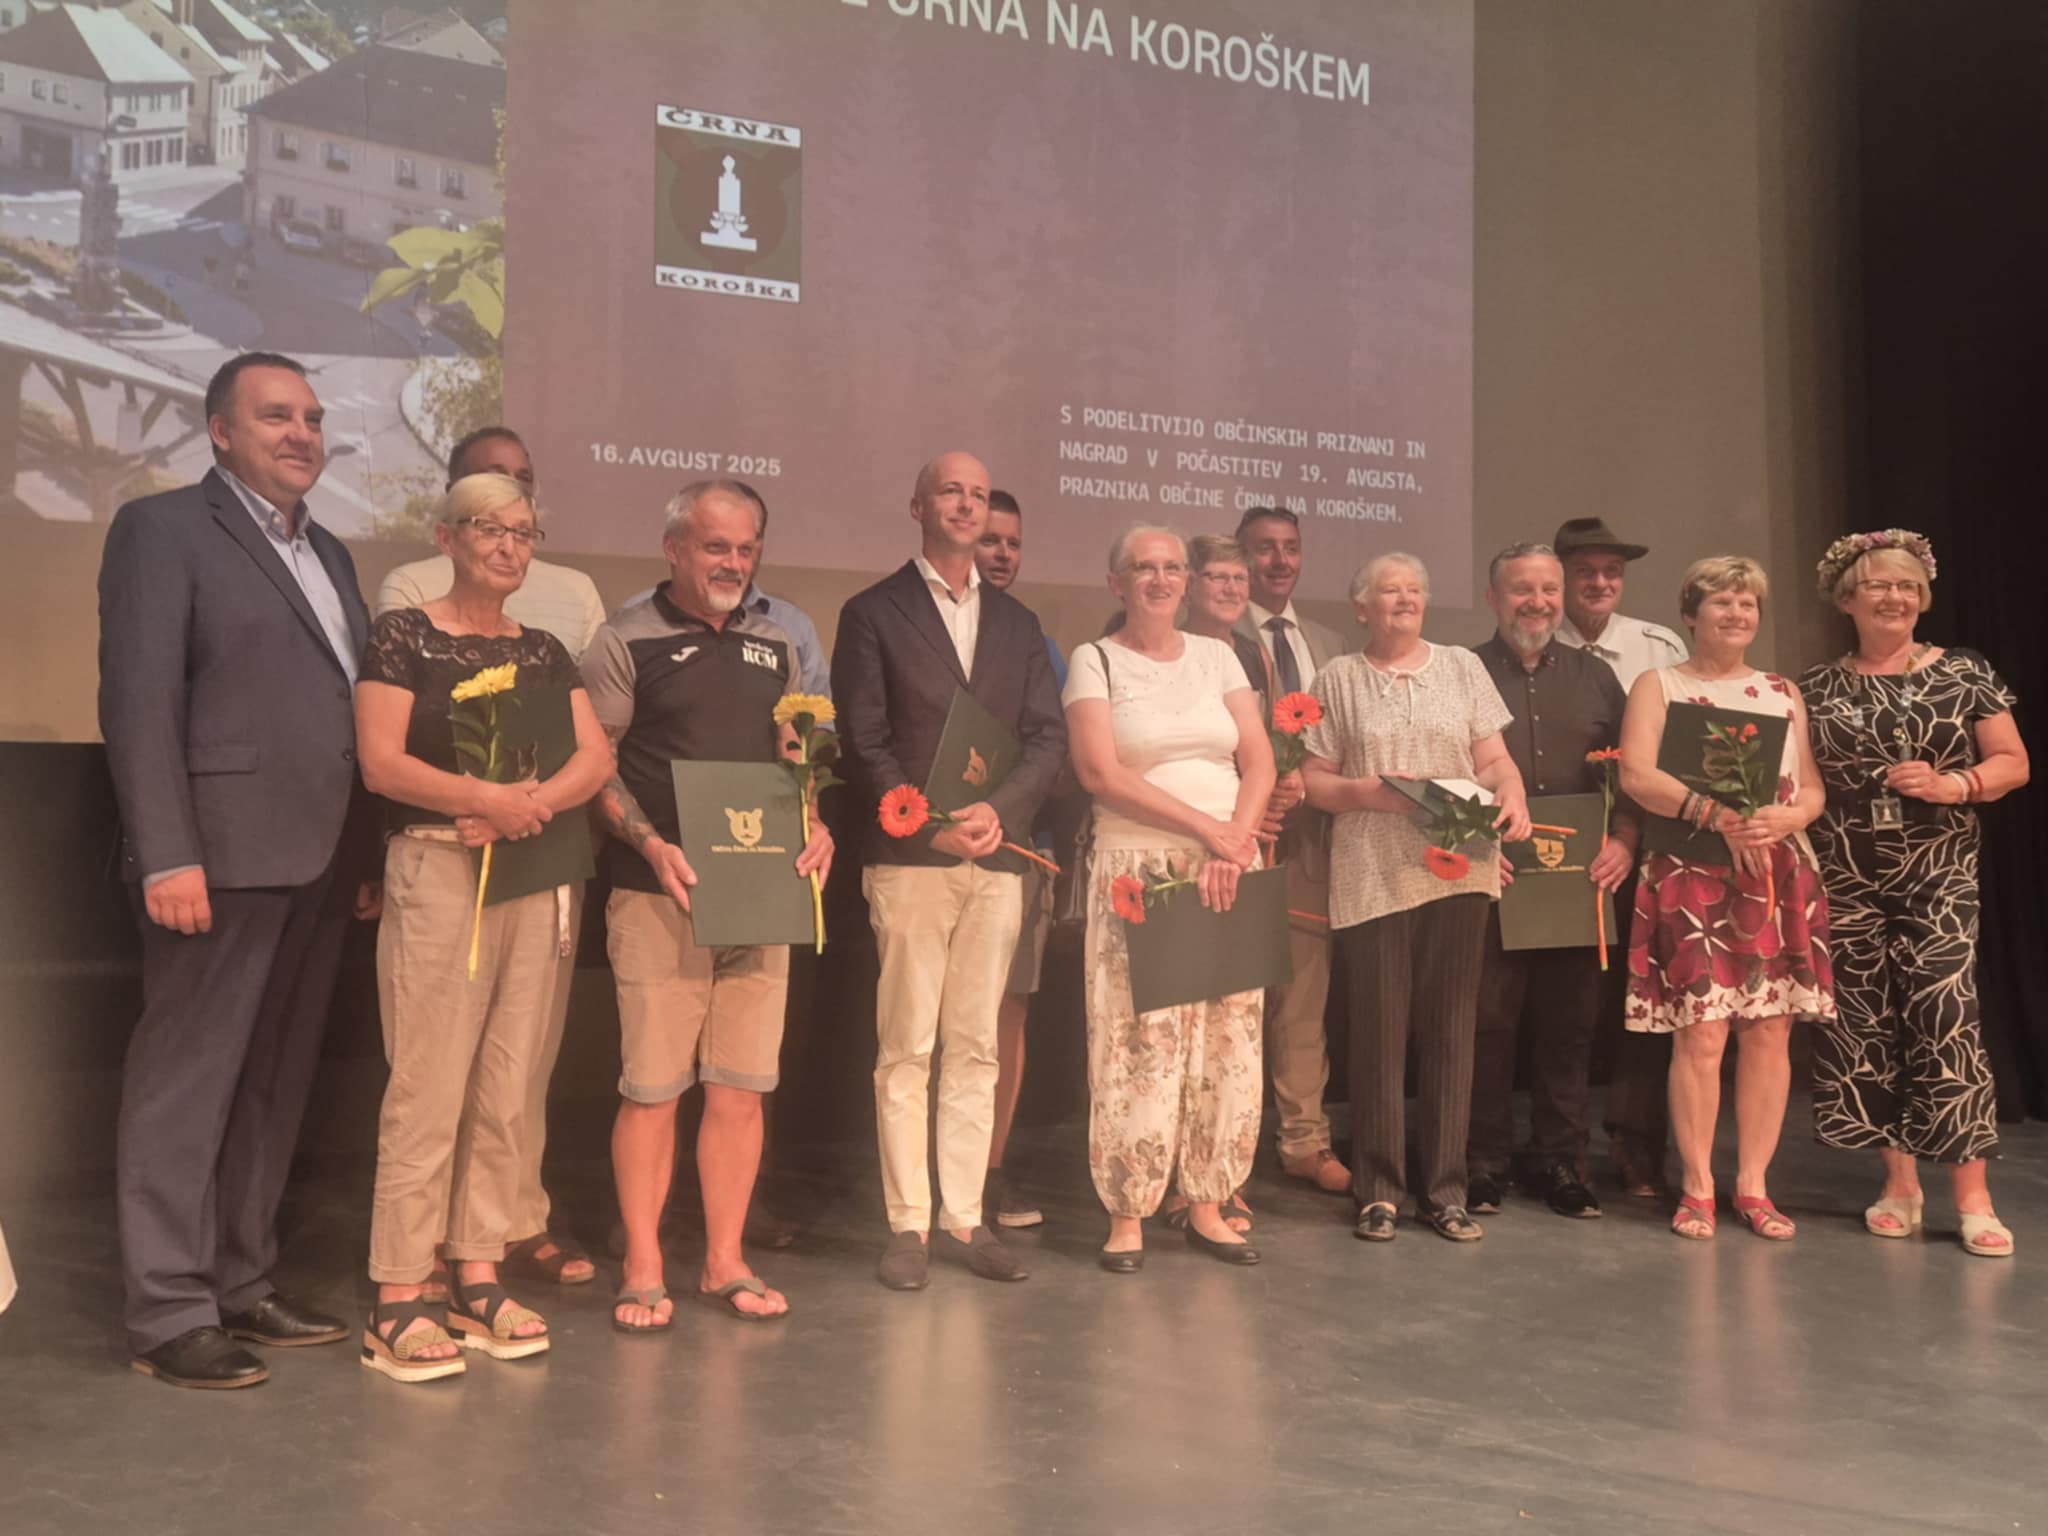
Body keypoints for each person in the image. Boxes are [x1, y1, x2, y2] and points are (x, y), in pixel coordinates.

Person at [100, 352, 373, 1390]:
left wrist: (365, 849)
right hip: (211, 861)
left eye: (309, 417)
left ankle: (241, 1278)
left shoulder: (332, 551)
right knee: (187, 1085)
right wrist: (167, 852)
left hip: (317, 855)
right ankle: (168, 1311)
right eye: (275, 417)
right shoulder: (162, 531)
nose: (300, 433)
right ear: (220, 431)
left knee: (271, 1084)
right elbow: (137, 702)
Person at [354, 472, 612, 1381]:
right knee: (428, 1082)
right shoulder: (406, 632)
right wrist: (481, 799)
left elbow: (596, 754)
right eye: (489, 530)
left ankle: (475, 1270)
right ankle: (398, 1292)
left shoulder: (543, 647)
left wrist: (522, 806)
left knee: (511, 1082)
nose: (509, 545)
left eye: (524, 532)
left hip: (533, 872)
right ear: (446, 536)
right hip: (437, 867)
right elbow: (380, 763)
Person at [584, 480, 832, 1329]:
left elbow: (794, 757)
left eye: (746, 547)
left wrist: (816, 824)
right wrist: (651, 844)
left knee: (739, 1090)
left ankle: (724, 1260)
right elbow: (596, 767)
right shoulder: (623, 640)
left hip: (761, 897)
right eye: (715, 546)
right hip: (657, 897)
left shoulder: (779, 643)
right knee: (653, 1089)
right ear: (675, 549)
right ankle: (644, 1263)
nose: (733, 562)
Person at [833, 451, 1067, 1290]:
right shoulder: (873, 612)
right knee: (907, 1046)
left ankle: (964, 1217)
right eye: (951, 491)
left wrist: (998, 812)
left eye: (977, 492)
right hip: (911, 857)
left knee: (975, 1045)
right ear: (918, 506)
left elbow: (1047, 737)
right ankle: (907, 1224)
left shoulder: (1018, 623)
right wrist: (926, 823)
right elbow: (863, 737)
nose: (966, 505)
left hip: (998, 857)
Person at [1800, 531, 2029, 1257]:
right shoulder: (1812, 689)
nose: (1894, 597)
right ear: (1847, 599)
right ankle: (1898, 1184)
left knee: (1944, 1015)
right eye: (1877, 586)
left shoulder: (1963, 672)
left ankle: (1974, 1197)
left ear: (1921, 597)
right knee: (1866, 1022)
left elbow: (2013, 763)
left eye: (1906, 586)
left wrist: (1952, 784)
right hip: (1847, 878)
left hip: (1938, 875)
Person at [1300, 554, 1530, 1242]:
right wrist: (1368, 793)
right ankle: (1378, 1189)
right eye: (1387, 591)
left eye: (1414, 591)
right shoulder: (1338, 678)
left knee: (1454, 1032)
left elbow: (1492, 761)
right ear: (1361, 608)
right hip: (1373, 872)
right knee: (1377, 1033)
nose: (1403, 600)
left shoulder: (1462, 666)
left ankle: (1446, 1189)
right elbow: (1314, 782)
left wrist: (1511, 791)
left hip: (1457, 867)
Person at [1063, 526, 1274, 1272]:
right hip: (1141, 865)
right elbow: (1099, 773)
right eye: (1143, 568)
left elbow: (1260, 759)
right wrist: (1208, 831)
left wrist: (1236, 840)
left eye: (1172, 568)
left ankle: (1210, 1204)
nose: (1160, 579)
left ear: (1187, 582)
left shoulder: (1220, 655)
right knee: (1138, 1039)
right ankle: (1128, 1213)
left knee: (1227, 1039)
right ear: (1117, 582)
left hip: (1226, 864)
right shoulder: (1095, 660)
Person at [1617, 556, 1834, 1242]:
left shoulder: (1780, 690)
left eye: (1748, 605)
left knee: (1769, 1034)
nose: (1737, 615)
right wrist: (1715, 814)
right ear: (1691, 615)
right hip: (1691, 872)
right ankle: (1698, 1187)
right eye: (1722, 604)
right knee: (1703, 1032)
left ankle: (1754, 1187)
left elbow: (1812, 790)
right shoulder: (1661, 683)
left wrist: (1787, 819)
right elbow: (1637, 775)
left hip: (1775, 875)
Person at [1467, 544, 1635, 1221]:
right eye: (1519, 590)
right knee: (1485, 1025)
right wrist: (1470, 846)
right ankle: (1480, 1161)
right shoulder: (1461, 672)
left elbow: (1632, 771)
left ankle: (1559, 1160)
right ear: (1492, 597)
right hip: (1488, 878)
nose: (1535, 602)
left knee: (1568, 1028)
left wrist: (1626, 840)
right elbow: (1442, 770)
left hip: (1578, 886)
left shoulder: (1598, 679)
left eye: (1546, 589)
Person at [1552, 516, 1690, 1200]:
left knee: (1646, 1008)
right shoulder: (1535, 641)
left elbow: (1674, 755)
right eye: (1585, 572)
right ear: (1560, 578)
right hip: (1559, 857)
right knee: (1568, 1007)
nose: (1600, 583)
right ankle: (1559, 1147)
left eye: (1611, 572)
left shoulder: (1657, 647)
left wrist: (1631, 834)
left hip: (1647, 849)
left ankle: (1638, 1150)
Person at [1234, 506, 1350, 1196]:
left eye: (1290, 549)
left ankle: (1305, 1141)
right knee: (1231, 999)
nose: (1278, 561)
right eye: (1263, 550)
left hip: (1309, 845)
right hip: (1234, 837)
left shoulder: (1330, 641)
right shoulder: (1210, 634)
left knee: (1303, 1001)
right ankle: (1224, 1152)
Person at [972, 489, 1067, 1229]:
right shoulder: (920, 625)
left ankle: (990, 1174)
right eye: (989, 539)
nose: (1001, 553)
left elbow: (1054, 748)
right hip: (931, 858)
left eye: (1013, 542)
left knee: (1007, 1020)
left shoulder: (1037, 640)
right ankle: (934, 1180)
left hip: (1020, 854)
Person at [378, 427, 607, 659]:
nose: (511, 487)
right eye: (495, 477)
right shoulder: (410, 584)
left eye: (523, 478)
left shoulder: (578, 590)